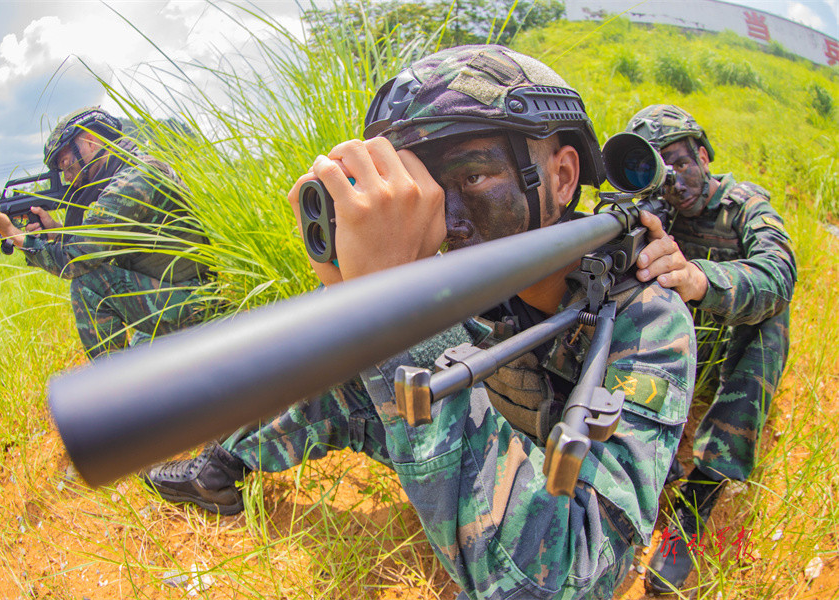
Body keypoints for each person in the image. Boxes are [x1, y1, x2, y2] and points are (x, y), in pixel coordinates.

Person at [145, 46, 697, 598]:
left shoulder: (648, 316)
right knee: (346, 375)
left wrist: (402, 313)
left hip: (555, 483)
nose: (447, 220)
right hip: (489, 426)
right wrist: (357, 299)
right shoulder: (459, 271)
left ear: (561, 176)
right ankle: (223, 464)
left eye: (475, 177)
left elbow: (580, 574)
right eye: (425, 188)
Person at [627, 104, 797, 594]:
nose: (674, 180)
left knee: (770, 319)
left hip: (728, 341)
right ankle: (650, 456)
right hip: (683, 343)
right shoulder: (658, 212)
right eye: (658, 171)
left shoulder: (745, 204)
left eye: (680, 162)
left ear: (702, 155)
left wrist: (702, 279)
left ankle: (700, 492)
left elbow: (778, 274)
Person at [0, 107, 211, 358]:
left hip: (197, 304)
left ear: (90, 142)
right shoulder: (134, 169)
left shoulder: (131, 182)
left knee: (88, 285)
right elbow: (97, 244)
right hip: (186, 295)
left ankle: (116, 392)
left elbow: (76, 262)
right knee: (141, 353)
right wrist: (58, 233)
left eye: (68, 166)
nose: (69, 178)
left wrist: (14, 234)